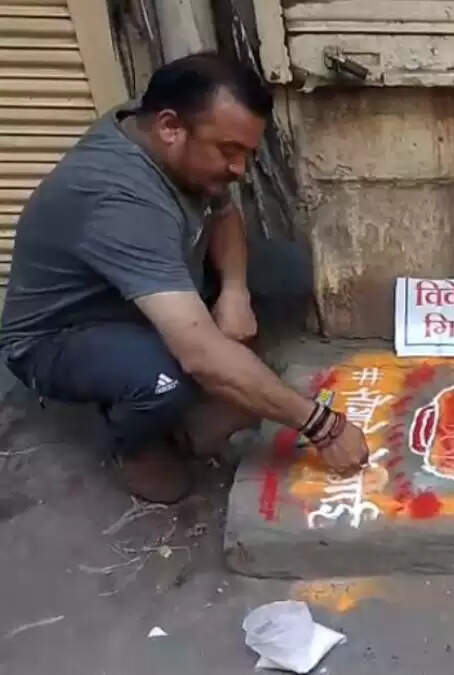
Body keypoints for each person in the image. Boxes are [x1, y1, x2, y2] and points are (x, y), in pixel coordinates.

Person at [0, 53, 369, 504]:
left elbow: (224, 210)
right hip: (62, 334)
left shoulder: (155, 125)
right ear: (170, 128)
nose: (240, 169)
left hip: (151, 282)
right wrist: (324, 426)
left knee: (283, 270)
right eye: (229, 152)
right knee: (165, 375)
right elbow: (199, 354)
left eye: (247, 153)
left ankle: (212, 382)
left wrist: (234, 291)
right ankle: (138, 446)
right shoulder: (118, 200)